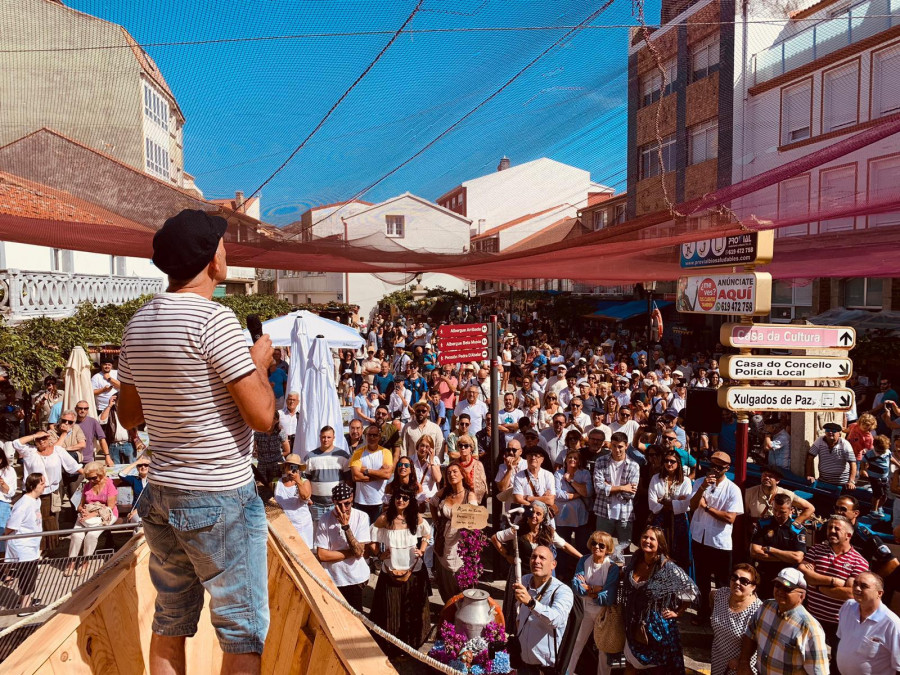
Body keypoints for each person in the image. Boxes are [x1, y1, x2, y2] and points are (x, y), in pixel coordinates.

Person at [117, 209, 276, 673]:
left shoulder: (138, 323)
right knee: (241, 632)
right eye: (222, 246)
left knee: (169, 622)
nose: (226, 252)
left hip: (162, 492)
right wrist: (258, 362)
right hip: (219, 494)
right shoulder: (216, 320)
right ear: (211, 261)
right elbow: (264, 417)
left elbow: (130, 416)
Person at [622, 525, 698, 673]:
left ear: (660, 544)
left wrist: (679, 612)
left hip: (656, 627)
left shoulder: (668, 568)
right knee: (631, 663)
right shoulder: (636, 559)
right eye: (645, 537)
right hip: (633, 622)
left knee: (657, 669)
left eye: (652, 538)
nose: (647, 541)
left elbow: (691, 590)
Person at [492, 501, 580, 627]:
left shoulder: (548, 532)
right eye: (532, 512)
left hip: (540, 576)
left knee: (539, 602)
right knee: (517, 604)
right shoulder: (518, 530)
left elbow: (564, 545)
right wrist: (507, 556)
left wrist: (582, 558)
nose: (534, 516)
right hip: (520, 573)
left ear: (543, 517)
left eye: (539, 514)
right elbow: (495, 538)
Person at [799, 514, 869, 667]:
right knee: (807, 660)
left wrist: (818, 586)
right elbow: (804, 572)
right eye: (830, 527)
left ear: (848, 535)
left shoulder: (859, 562)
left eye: (837, 528)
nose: (831, 531)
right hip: (812, 618)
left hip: (840, 624)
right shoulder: (817, 550)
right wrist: (832, 581)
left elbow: (850, 593)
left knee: (838, 663)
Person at [368, 486, 431, 652]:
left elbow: (427, 533)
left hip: (413, 570)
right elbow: (371, 537)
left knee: (411, 610)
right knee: (391, 611)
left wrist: (422, 549)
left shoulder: (415, 518)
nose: (400, 500)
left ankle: (412, 644)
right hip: (391, 570)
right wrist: (380, 555)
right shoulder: (384, 519)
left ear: (410, 501)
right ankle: (391, 646)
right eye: (398, 497)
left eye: (405, 498)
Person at [738, 567, 829, 675]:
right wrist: (744, 662)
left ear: (802, 596)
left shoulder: (809, 628)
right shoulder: (767, 606)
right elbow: (750, 633)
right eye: (777, 585)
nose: (780, 591)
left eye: (787, 588)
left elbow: (819, 672)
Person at [690, 450, 744, 623]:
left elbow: (730, 518)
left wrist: (707, 508)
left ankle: (721, 617)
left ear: (726, 468)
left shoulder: (733, 489)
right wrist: (702, 488)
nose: (714, 469)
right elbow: (691, 505)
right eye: (712, 465)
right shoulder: (700, 482)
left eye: (718, 467)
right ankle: (703, 613)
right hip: (700, 537)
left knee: (722, 583)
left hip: (719, 542)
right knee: (702, 580)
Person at [12, 430, 83, 551]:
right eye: (39, 439)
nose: (42, 441)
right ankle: (37, 547)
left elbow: (73, 466)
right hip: (32, 493)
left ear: (49, 438)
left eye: (44, 438)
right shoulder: (30, 451)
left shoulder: (58, 451)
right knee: (34, 520)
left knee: (49, 519)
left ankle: (49, 548)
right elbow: (16, 443)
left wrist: (89, 474)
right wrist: (34, 435)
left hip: (50, 492)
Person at [512, 545, 575, 675]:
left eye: (542, 558)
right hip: (524, 664)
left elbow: (556, 619)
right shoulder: (525, 581)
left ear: (553, 564)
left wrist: (531, 603)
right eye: (533, 557)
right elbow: (518, 612)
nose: (537, 561)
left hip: (547, 669)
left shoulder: (562, 591)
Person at [566, 530, 620, 675]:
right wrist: (597, 589)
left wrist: (588, 589)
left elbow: (608, 597)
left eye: (601, 545)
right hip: (585, 611)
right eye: (594, 543)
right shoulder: (584, 561)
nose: (597, 547)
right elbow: (576, 586)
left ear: (608, 549)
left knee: (603, 649)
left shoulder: (612, 568)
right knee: (577, 644)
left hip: (603, 614)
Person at [314, 483, 372, 612]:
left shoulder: (361, 517)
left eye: (346, 504)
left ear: (351, 499)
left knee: (357, 616)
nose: (343, 508)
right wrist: (350, 553)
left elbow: (359, 551)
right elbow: (322, 555)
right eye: (339, 504)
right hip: (333, 578)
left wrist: (346, 527)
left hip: (354, 577)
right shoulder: (325, 519)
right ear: (333, 502)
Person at [429, 461, 478, 603]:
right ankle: (448, 608)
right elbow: (432, 503)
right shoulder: (444, 493)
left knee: (459, 578)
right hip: (443, 540)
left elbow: (474, 519)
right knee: (444, 579)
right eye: (449, 473)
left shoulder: (470, 496)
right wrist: (436, 521)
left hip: (460, 542)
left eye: (455, 471)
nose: (451, 475)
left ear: (462, 474)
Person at [835, 571, 900, 675]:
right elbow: (842, 639)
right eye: (855, 583)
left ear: (879, 593)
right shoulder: (847, 607)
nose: (856, 588)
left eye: (864, 586)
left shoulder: (892, 624)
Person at [64, 461, 118, 577]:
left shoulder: (109, 485)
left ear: (101, 474)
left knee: (91, 536)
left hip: (106, 514)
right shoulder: (87, 485)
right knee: (76, 535)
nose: (91, 481)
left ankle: (85, 561)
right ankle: (72, 562)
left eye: (93, 478)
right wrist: (82, 510)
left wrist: (92, 514)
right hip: (88, 514)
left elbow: (110, 507)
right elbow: (80, 504)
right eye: (88, 478)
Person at [750, 493, 807, 598]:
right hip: (764, 576)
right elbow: (754, 551)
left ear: (791, 511)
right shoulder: (763, 524)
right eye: (775, 510)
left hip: (786, 581)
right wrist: (785, 558)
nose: (777, 514)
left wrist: (771, 550)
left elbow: (797, 557)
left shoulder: (797, 530)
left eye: (782, 512)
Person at [710, 563, 763, 675]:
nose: (737, 583)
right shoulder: (721, 594)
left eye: (744, 581)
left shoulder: (758, 611)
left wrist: (740, 660)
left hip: (740, 666)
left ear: (753, 587)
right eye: (734, 578)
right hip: (718, 658)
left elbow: (759, 643)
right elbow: (711, 596)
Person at [4, 473, 45, 609]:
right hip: (22, 544)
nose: (44, 486)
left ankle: (23, 599)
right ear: (33, 486)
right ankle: (25, 607)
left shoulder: (36, 501)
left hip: (32, 543)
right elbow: (11, 526)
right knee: (29, 574)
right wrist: (6, 536)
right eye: (42, 484)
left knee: (27, 574)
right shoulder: (23, 504)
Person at [592, 431, 640, 548]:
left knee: (624, 548)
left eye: (620, 447)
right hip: (604, 511)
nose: (617, 450)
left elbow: (630, 495)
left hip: (625, 513)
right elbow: (598, 488)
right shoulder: (601, 461)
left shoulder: (634, 465)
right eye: (614, 446)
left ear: (626, 446)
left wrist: (608, 487)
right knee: (601, 547)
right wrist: (622, 487)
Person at [648, 448, 692, 570]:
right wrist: (676, 502)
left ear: (678, 464)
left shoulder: (686, 481)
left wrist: (663, 501)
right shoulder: (656, 478)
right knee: (659, 549)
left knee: (679, 552)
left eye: (672, 461)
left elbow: (685, 505)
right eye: (666, 461)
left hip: (679, 521)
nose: (669, 464)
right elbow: (652, 504)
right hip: (659, 519)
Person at [305, 426, 352, 524]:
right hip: (316, 505)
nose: (325, 440)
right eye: (323, 437)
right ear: (319, 437)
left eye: (328, 437)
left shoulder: (342, 456)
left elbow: (348, 480)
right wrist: (308, 498)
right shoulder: (310, 457)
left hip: (337, 505)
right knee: (318, 534)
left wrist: (347, 500)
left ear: (334, 438)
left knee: (337, 532)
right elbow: (306, 480)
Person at [555, 450, 592, 572]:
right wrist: (577, 494)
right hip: (562, 517)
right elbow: (557, 495)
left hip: (581, 516)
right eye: (570, 457)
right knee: (561, 546)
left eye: (575, 458)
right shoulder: (558, 474)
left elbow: (587, 492)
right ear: (565, 460)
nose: (572, 460)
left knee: (582, 546)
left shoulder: (584, 473)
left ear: (579, 461)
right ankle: (561, 572)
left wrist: (571, 481)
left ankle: (581, 571)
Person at [348, 424, 394, 523]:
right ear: (365, 436)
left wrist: (367, 471)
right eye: (369, 435)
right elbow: (355, 476)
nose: (372, 438)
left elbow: (387, 475)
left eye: (375, 435)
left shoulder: (385, 452)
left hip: (379, 501)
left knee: (376, 534)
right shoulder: (358, 453)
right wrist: (379, 475)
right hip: (360, 501)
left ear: (379, 437)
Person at [744, 465, 815, 527]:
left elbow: (810, 508)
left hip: (780, 537)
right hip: (758, 536)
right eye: (764, 475)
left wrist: (794, 524)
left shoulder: (787, 494)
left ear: (777, 480)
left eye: (770, 476)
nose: (767, 478)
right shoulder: (750, 493)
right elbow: (743, 516)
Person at [274, 453, 313, 547]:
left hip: (301, 526)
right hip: (283, 526)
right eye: (289, 466)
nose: (291, 469)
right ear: (285, 467)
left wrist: (297, 480)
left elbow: (305, 496)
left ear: (299, 469)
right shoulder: (276, 482)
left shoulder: (304, 482)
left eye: (294, 467)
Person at [806, 422, 857, 490]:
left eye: (833, 431)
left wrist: (851, 481)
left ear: (839, 434)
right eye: (827, 430)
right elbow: (810, 457)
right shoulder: (820, 440)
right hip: (823, 482)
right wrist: (809, 475)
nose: (830, 432)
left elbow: (853, 463)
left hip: (842, 484)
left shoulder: (845, 444)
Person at [860, 434, 892, 517]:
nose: (881, 452)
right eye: (879, 451)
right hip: (874, 477)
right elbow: (863, 461)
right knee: (877, 494)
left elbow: (890, 458)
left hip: (885, 477)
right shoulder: (870, 453)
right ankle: (873, 510)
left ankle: (879, 507)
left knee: (885, 495)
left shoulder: (887, 451)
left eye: (883, 451)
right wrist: (863, 470)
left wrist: (898, 464)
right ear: (874, 446)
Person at [254, 411, 290, 485]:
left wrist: (277, 456)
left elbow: (287, 450)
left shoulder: (281, 432)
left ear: (276, 420)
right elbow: (252, 448)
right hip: (262, 465)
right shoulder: (258, 432)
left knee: (275, 486)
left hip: (276, 465)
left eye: (272, 418)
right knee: (261, 487)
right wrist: (256, 454)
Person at [456, 433, 488, 503]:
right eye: (460, 446)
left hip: (476, 502)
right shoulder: (454, 465)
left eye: (466, 446)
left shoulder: (478, 465)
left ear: (471, 448)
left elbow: (483, 487)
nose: (463, 448)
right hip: (459, 502)